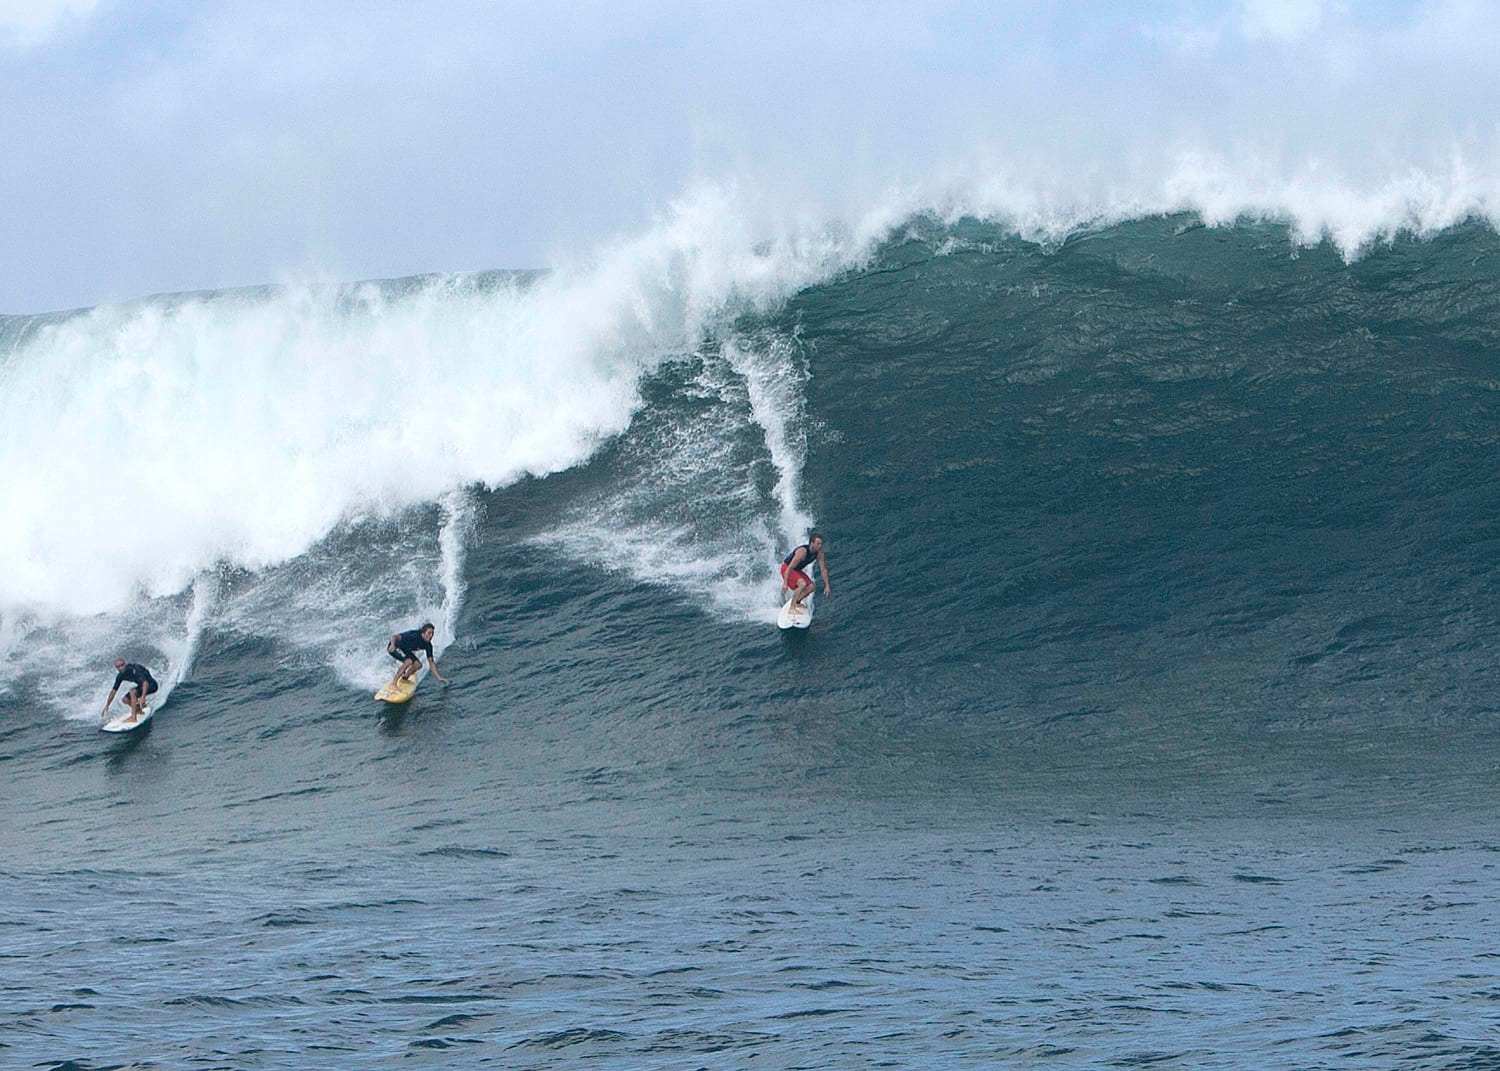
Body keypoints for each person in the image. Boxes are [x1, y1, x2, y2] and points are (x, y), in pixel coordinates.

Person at [780, 531, 831, 612]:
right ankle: (792, 608)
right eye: (818, 543)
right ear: (812, 543)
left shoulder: (819, 554)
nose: (820, 546)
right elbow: (789, 568)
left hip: (796, 570)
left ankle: (797, 601)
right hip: (786, 568)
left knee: (812, 587)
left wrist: (827, 585)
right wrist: (785, 583)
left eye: (821, 544)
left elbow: (823, 570)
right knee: (802, 584)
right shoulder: (802, 552)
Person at [386, 622, 449, 688]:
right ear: (423, 633)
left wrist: (439, 678)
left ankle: (405, 678)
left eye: (432, 633)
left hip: (405, 650)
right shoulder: (413, 635)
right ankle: (393, 683)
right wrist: (392, 645)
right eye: (429, 633)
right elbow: (394, 636)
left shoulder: (428, 645)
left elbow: (431, 663)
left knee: (418, 665)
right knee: (409, 661)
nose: (431, 636)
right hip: (395, 647)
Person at [102, 658, 158, 725]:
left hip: (152, 685)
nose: (120, 668)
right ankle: (139, 710)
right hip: (142, 686)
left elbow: (145, 683)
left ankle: (133, 718)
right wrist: (107, 705)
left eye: (122, 665)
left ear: (125, 664)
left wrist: (143, 697)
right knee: (125, 699)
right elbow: (113, 691)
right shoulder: (120, 676)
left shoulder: (134, 670)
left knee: (132, 691)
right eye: (118, 667)